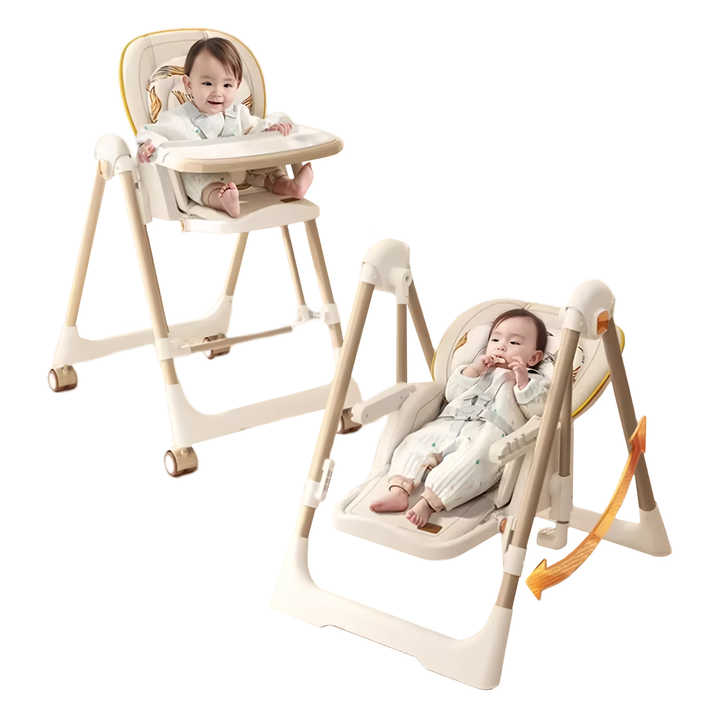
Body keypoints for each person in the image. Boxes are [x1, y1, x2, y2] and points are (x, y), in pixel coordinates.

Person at [370, 309, 550, 528]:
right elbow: (452, 393)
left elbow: (538, 410)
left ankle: (428, 503)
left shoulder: (533, 381)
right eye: (495, 340)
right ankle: (399, 489)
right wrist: (474, 370)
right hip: (449, 423)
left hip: (487, 434)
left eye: (514, 343)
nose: (501, 346)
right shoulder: (477, 370)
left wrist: (522, 380)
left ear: (534, 357)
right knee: (414, 443)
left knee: (471, 464)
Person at [136, 37, 313, 218]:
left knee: (269, 169)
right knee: (197, 180)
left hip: (244, 170)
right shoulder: (178, 119)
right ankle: (222, 201)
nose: (218, 92)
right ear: (188, 85)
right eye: (207, 83)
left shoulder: (238, 113)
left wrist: (271, 129)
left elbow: (255, 128)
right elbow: (153, 132)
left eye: (227, 85)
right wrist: (149, 145)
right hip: (207, 173)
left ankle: (289, 186)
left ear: (237, 86)